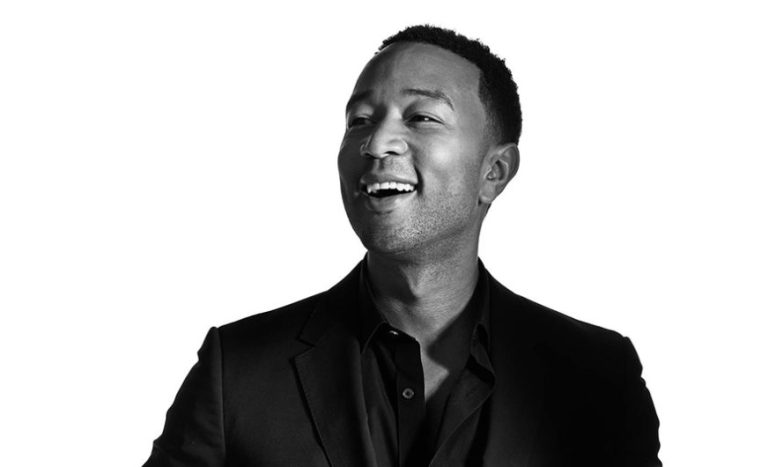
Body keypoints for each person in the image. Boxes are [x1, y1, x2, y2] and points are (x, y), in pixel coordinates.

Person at [143, 25, 662, 467]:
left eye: (421, 118)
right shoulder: (236, 372)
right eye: (360, 120)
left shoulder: (597, 376)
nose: (376, 143)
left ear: (495, 171)